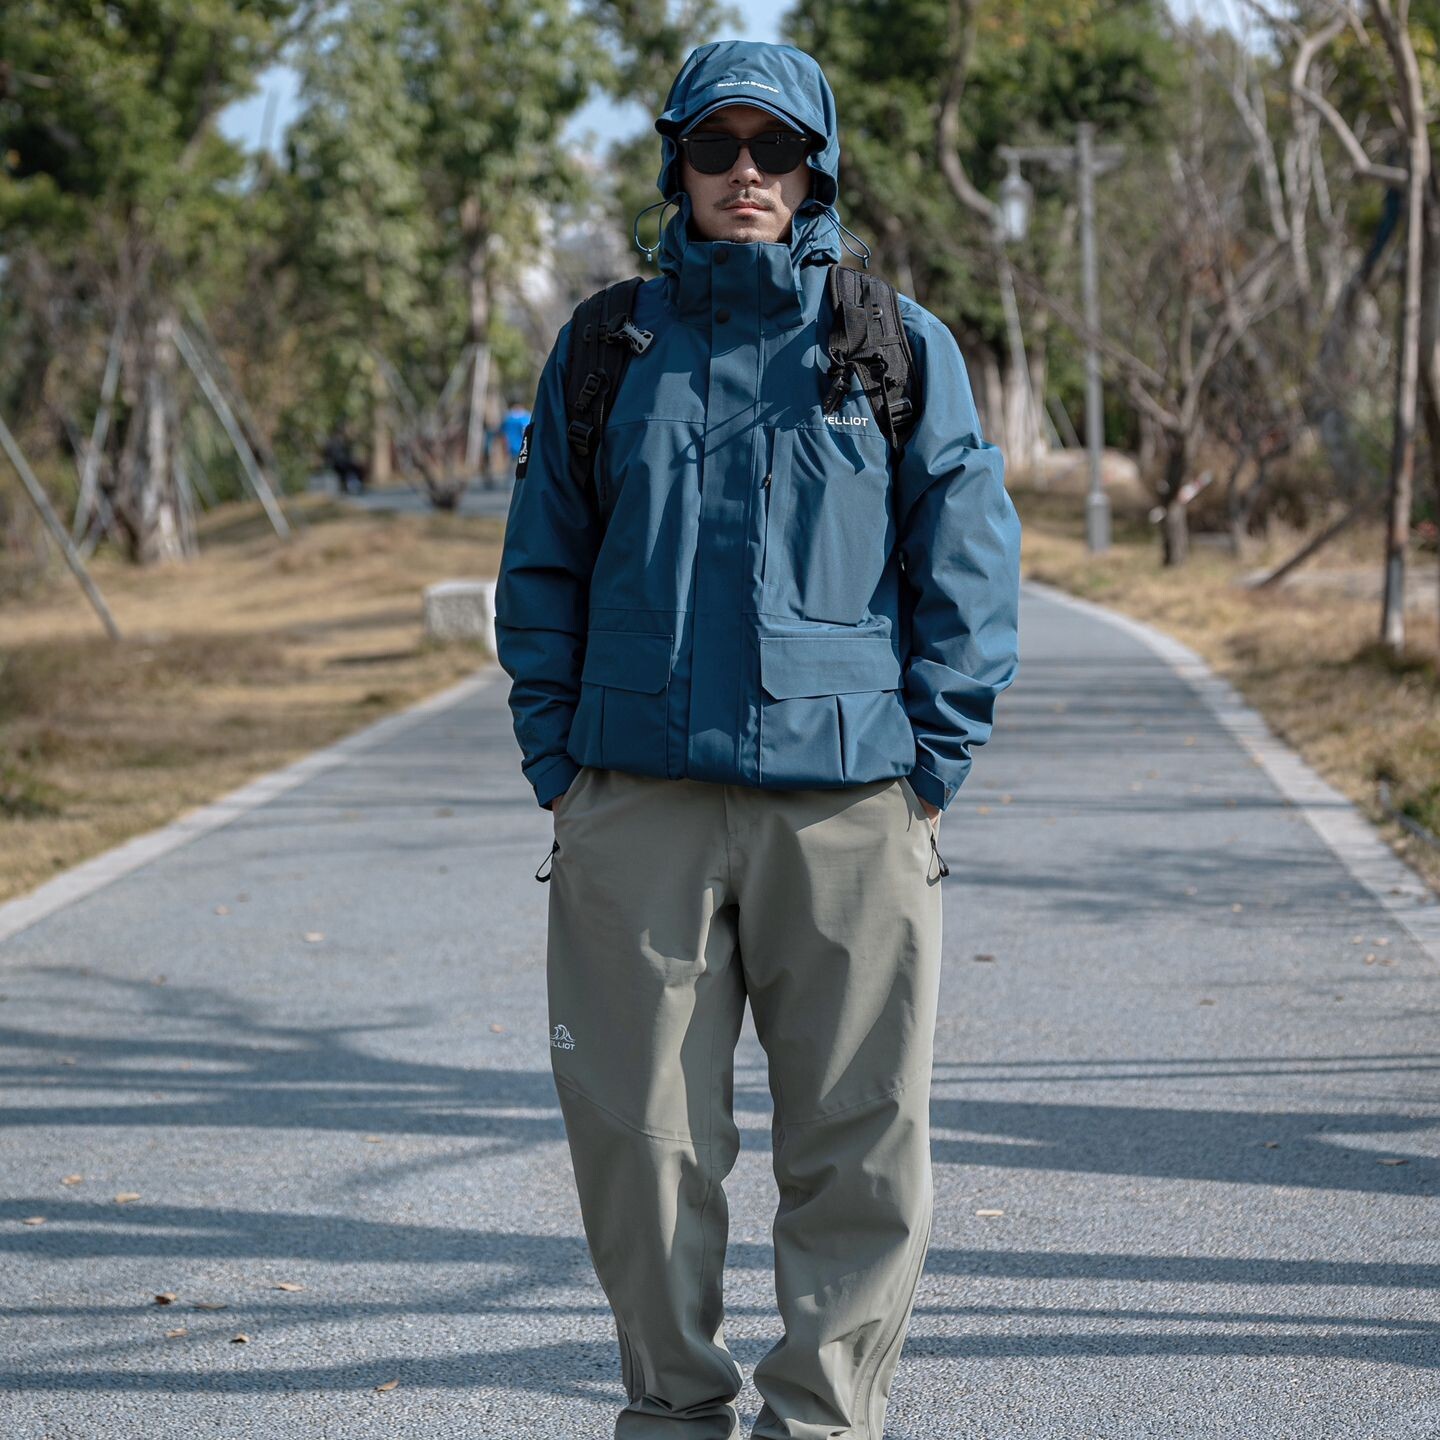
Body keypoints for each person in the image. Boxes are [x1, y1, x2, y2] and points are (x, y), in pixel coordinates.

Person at [494, 39, 1020, 1440]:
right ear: (677, 165)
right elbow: (541, 566)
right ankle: (673, 1406)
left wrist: (931, 766)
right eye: (716, 147)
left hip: (849, 808)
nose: (745, 173)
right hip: (636, 802)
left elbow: (967, 570)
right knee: (638, 1137)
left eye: (774, 149)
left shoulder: (893, 344)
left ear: (815, 171)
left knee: (858, 1137)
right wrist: (561, 771)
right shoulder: (608, 346)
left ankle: (823, 1417)